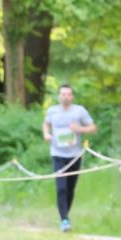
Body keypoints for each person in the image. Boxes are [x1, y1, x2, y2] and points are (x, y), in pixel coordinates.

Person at [43, 84, 97, 232]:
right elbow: (46, 124)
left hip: (74, 156)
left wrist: (79, 129)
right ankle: (64, 220)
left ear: (72, 97)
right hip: (57, 154)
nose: (65, 96)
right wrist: (46, 134)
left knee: (70, 189)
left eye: (68, 94)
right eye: (63, 94)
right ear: (58, 96)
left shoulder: (79, 111)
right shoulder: (52, 111)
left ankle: (65, 214)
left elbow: (93, 128)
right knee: (61, 188)